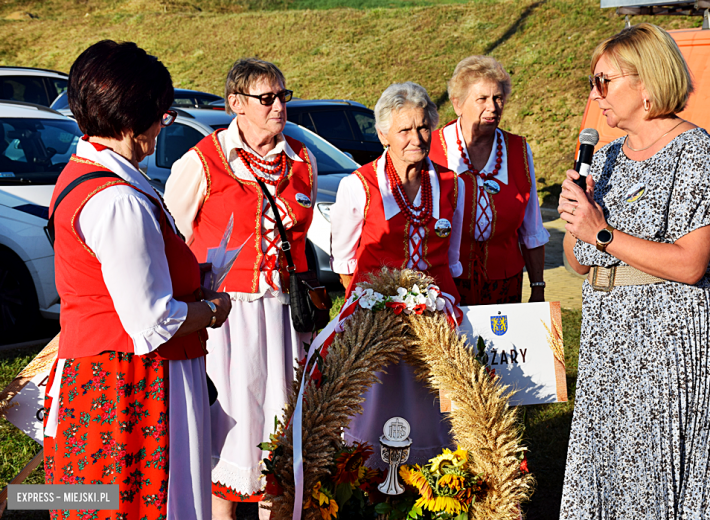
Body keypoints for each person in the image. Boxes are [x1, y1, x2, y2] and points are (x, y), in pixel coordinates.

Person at [43, 40, 231, 520]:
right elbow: (152, 321)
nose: (160, 129)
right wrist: (213, 310)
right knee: (142, 504)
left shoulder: (95, 175)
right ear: (131, 119)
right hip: (130, 384)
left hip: (111, 372)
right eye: (160, 116)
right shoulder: (116, 199)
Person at [557, 23, 710, 518]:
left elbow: (689, 261)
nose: (597, 95)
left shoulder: (694, 152)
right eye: (593, 82)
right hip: (604, 335)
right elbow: (577, 261)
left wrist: (602, 233)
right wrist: (578, 220)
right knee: (606, 470)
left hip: (664, 336)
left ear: (648, 82)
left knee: (651, 476)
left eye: (605, 81)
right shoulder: (608, 156)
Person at [164, 58, 318, 519]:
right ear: (236, 103)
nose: (278, 107)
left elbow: (310, 237)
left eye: (282, 97)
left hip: (287, 318)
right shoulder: (202, 161)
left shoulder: (301, 160)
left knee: (283, 431)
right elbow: (172, 237)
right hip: (227, 320)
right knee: (228, 433)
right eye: (266, 99)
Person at [330, 81, 465, 465]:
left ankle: (435, 479)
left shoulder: (450, 184)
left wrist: (430, 309)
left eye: (424, 127)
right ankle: (370, 478)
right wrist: (381, 311)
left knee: (432, 409)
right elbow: (345, 265)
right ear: (383, 133)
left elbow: (450, 259)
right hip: (376, 323)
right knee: (378, 409)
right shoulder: (357, 186)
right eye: (404, 130)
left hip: (436, 319)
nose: (416, 138)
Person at [428, 55, 549, 305]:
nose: (493, 107)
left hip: (505, 284)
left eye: (498, 98)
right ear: (458, 104)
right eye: (482, 99)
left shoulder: (518, 150)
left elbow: (532, 227)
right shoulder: (432, 150)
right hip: (443, 283)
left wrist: (538, 287)